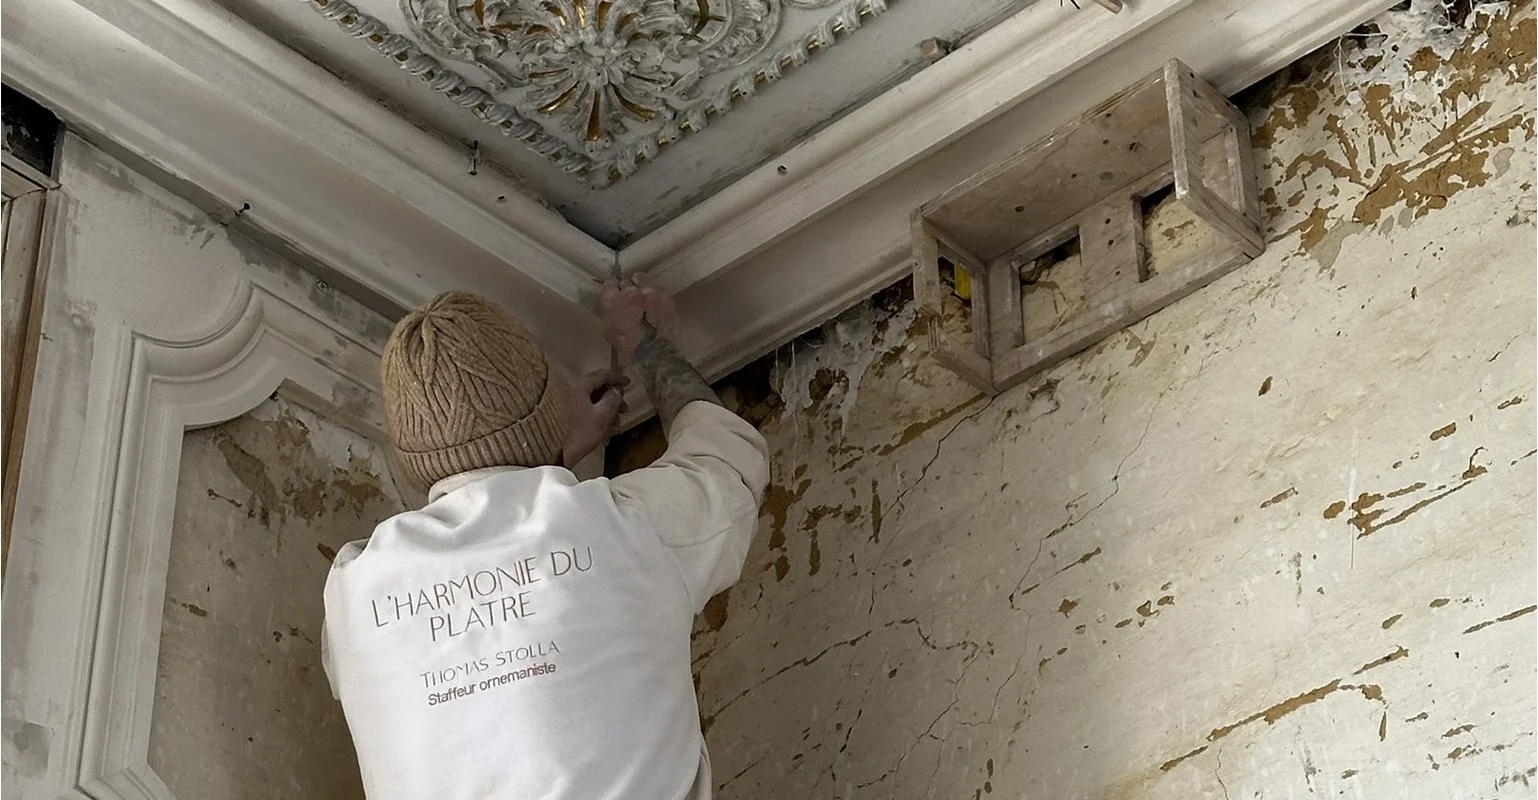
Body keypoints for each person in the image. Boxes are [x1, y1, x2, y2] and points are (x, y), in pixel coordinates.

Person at [321, 279, 769, 800]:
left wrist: (543, 454)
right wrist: (646, 340)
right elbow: (727, 458)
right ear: (547, 417)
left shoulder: (354, 595)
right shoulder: (627, 528)